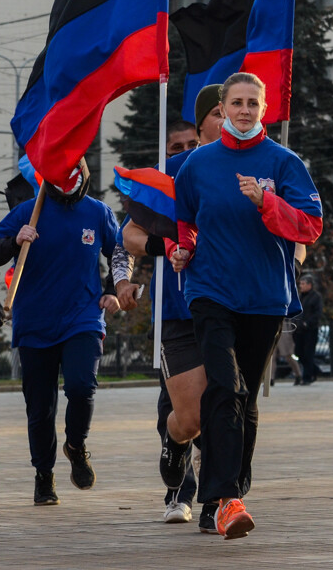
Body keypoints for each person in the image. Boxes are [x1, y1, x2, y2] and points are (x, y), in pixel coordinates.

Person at [169, 72, 323, 540]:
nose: (242, 111)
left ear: (264, 108)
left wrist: (268, 201)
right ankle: (228, 497)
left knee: (244, 399)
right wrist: (183, 251)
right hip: (210, 293)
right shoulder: (196, 165)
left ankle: (220, 501)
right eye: (234, 103)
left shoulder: (284, 162)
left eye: (251, 103)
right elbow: (186, 223)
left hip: (265, 298)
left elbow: (310, 226)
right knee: (225, 386)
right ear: (223, 107)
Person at [0, 158, 121, 506]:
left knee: (81, 386)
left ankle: (76, 445)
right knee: (40, 408)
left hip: (82, 317)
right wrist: (15, 241)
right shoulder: (28, 211)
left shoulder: (98, 212)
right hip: (35, 322)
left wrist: (114, 289)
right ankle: (44, 474)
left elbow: (120, 251)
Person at [119, 86, 221, 530]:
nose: (235, 116)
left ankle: (220, 498)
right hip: (178, 311)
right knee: (190, 415)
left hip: (237, 309)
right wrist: (166, 245)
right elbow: (127, 236)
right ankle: (177, 457)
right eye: (221, 111)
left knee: (231, 408)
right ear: (203, 124)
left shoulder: (264, 168)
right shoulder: (173, 174)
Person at [296, 274, 323, 385]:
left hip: (310, 330)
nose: (301, 286)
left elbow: (318, 313)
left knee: (308, 353)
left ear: (309, 285)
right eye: (300, 284)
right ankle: (315, 370)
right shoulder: (300, 296)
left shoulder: (316, 297)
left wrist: (307, 323)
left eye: (303, 284)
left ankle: (307, 377)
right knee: (298, 353)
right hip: (299, 330)